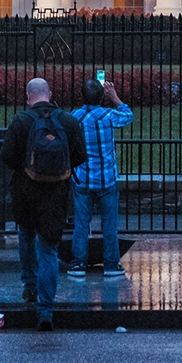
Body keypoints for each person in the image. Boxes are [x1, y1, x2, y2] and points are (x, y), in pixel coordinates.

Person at [1, 77, 85, 330]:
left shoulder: (21, 121)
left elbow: (7, 157)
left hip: (25, 191)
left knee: (26, 236)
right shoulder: (69, 122)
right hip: (56, 194)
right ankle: (46, 309)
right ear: (50, 93)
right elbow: (79, 156)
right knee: (49, 249)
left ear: (29, 96)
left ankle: (30, 286)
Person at [68, 78, 133, 279]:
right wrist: (115, 98)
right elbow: (128, 116)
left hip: (82, 179)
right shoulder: (108, 116)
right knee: (109, 223)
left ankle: (78, 263)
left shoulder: (74, 117)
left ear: (82, 96)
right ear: (101, 97)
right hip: (107, 179)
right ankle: (111, 264)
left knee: (81, 222)